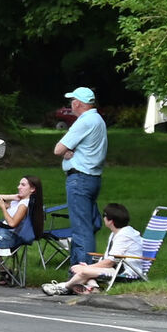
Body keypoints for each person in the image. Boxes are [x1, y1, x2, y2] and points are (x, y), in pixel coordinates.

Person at [55, 85, 107, 265]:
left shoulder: (84, 121)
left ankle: (83, 273)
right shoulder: (98, 119)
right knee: (88, 225)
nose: (71, 104)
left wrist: (69, 149)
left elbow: (58, 149)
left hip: (80, 178)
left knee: (81, 228)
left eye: (72, 101)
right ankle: (78, 270)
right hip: (93, 177)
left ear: (78, 103)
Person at [45, 203, 141, 296]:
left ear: (110, 221)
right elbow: (109, 261)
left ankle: (63, 287)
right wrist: (89, 267)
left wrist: (87, 268)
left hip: (126, 271)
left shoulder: (124, 236)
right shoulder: (117, 233)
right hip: (116, 268)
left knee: (84, 272)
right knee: (78, 269)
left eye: (104, 215)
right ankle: (94, 288)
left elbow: (109, 262)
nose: (103, 218)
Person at [0, 174, 43, 251]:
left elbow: (12, 224)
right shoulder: (18, 202)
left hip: (5, 238)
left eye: (23, 185)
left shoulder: (24, 204)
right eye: (19, 184)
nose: (19, 187)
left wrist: (3, 207)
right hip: (1, 234)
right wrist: (13, 196)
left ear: (32, 189)